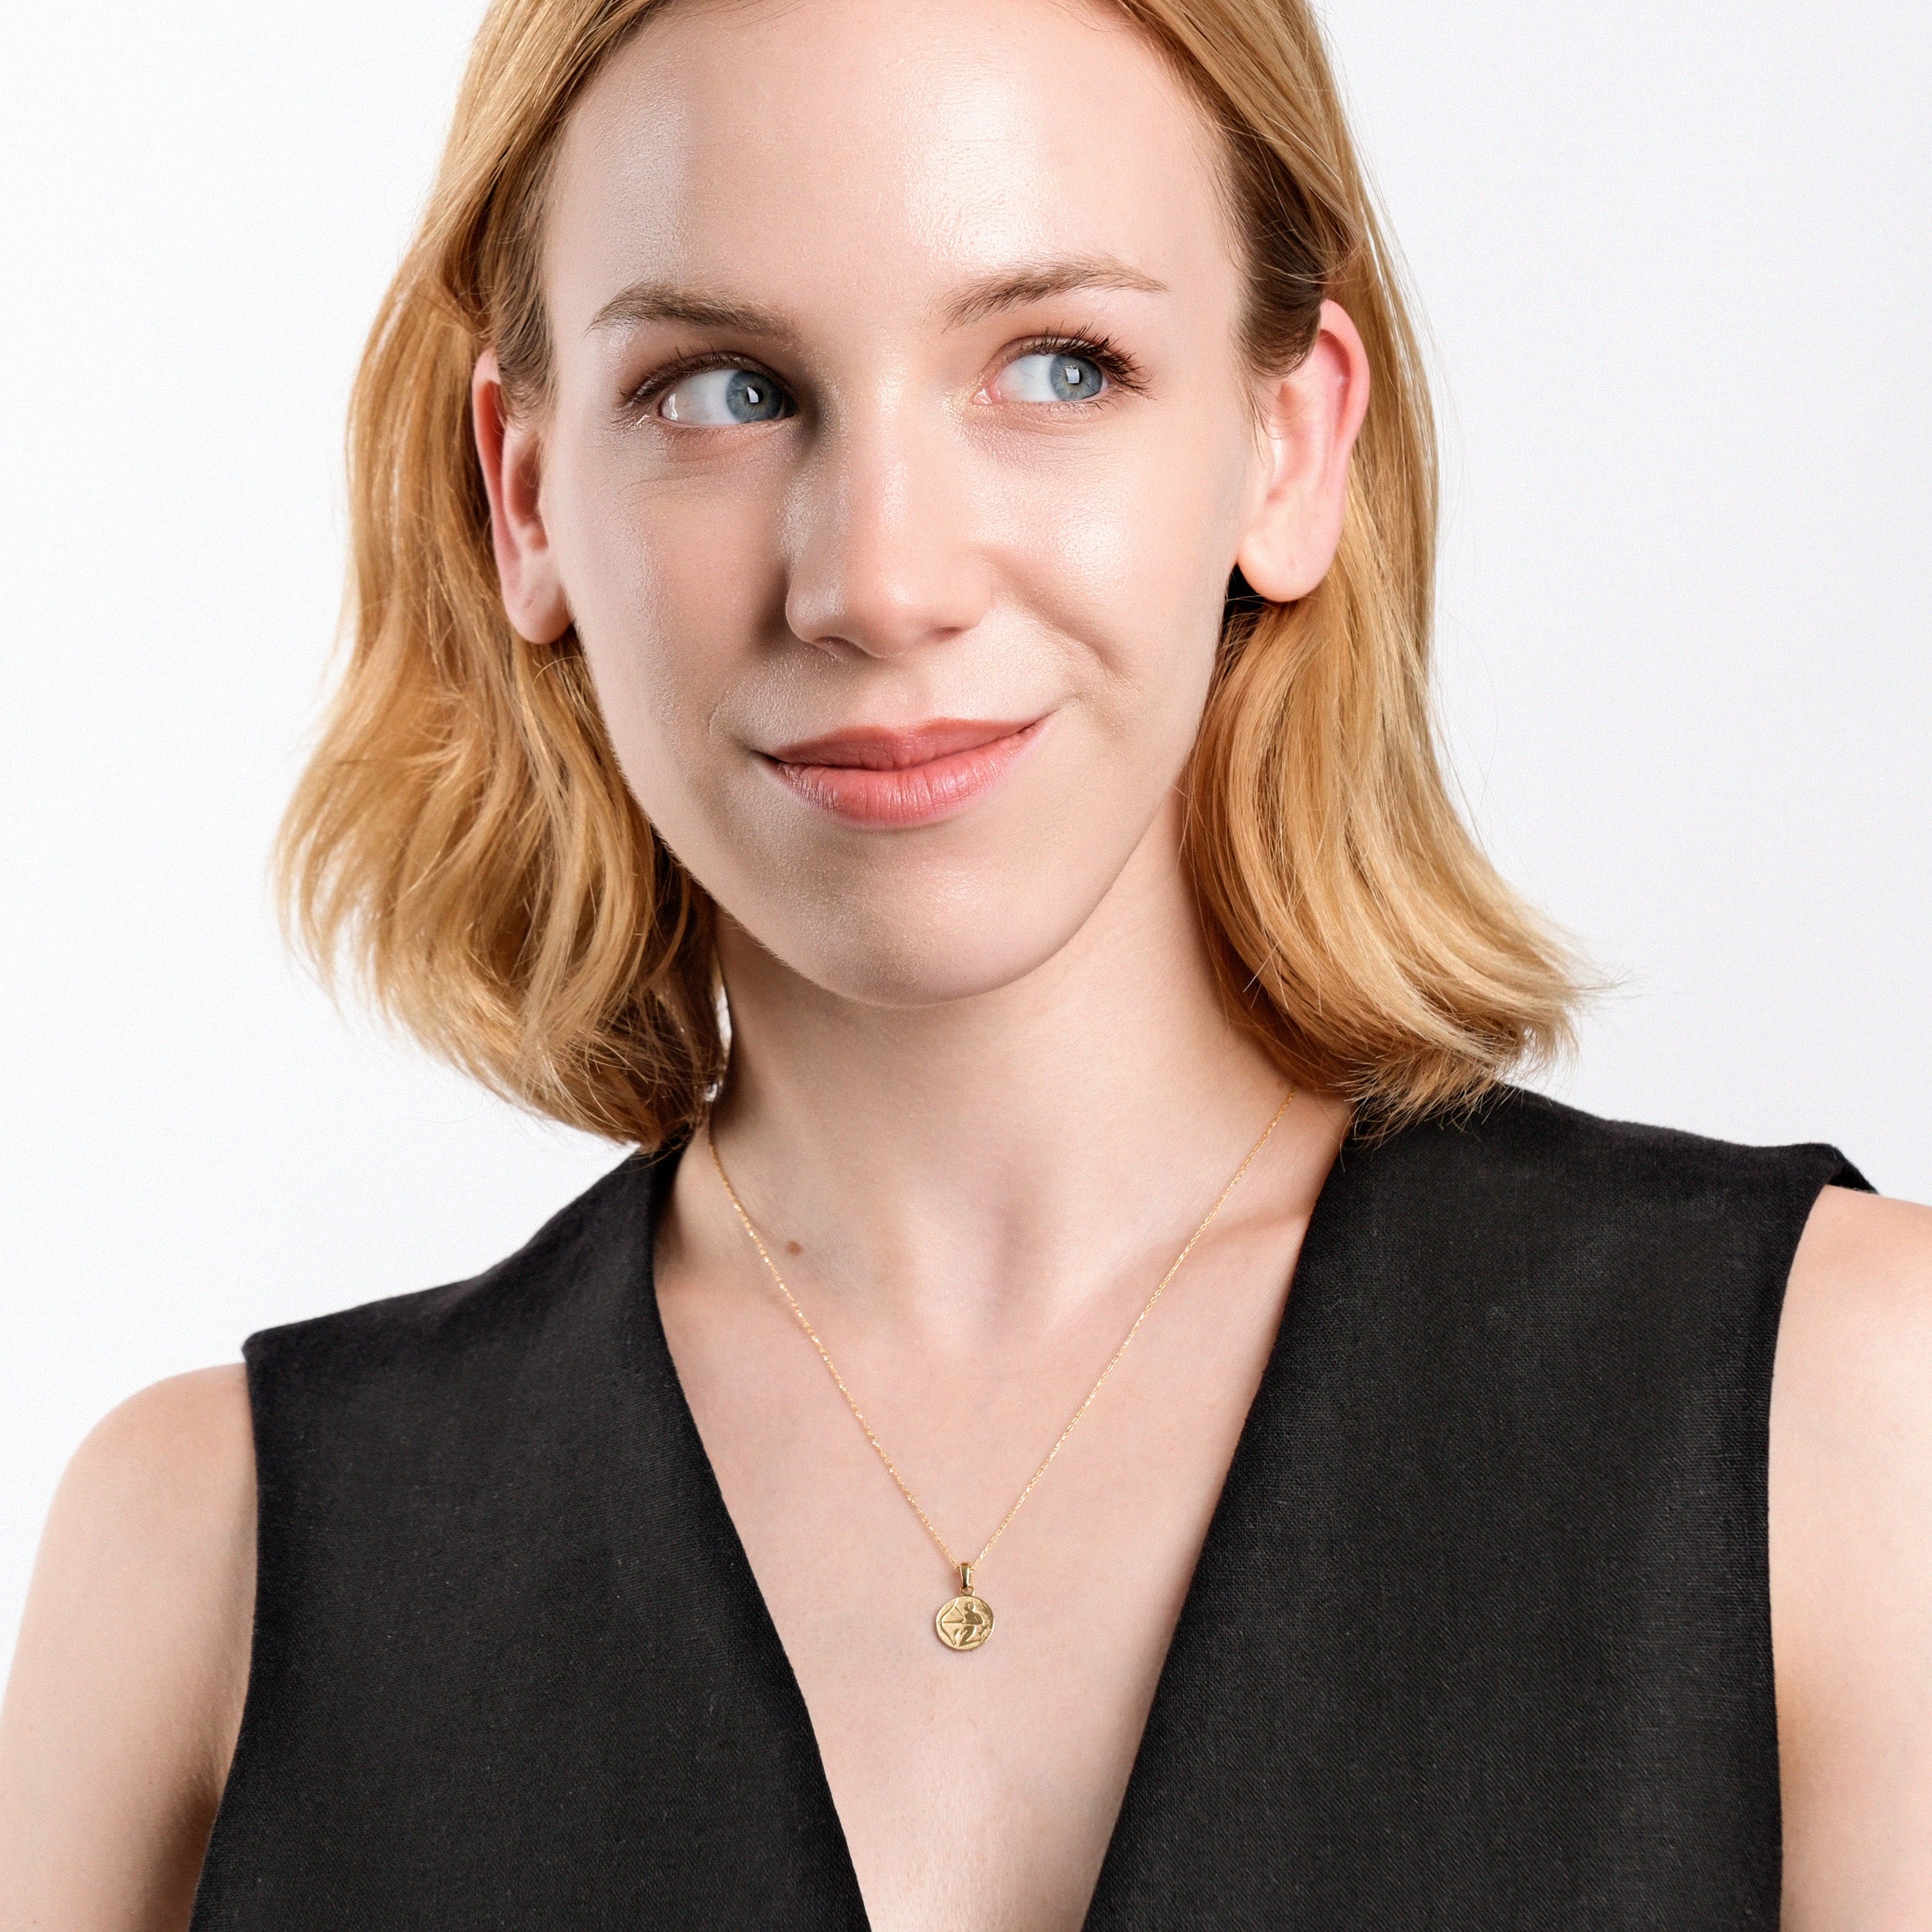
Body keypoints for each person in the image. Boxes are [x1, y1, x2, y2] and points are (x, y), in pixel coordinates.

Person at [2, 0, 1927, 1923]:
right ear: (523, 499)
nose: (880, 581)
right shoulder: (207, 1570)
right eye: (720, 388)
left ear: (1289, 440)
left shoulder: (1844, 1424)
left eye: (1057, 365)